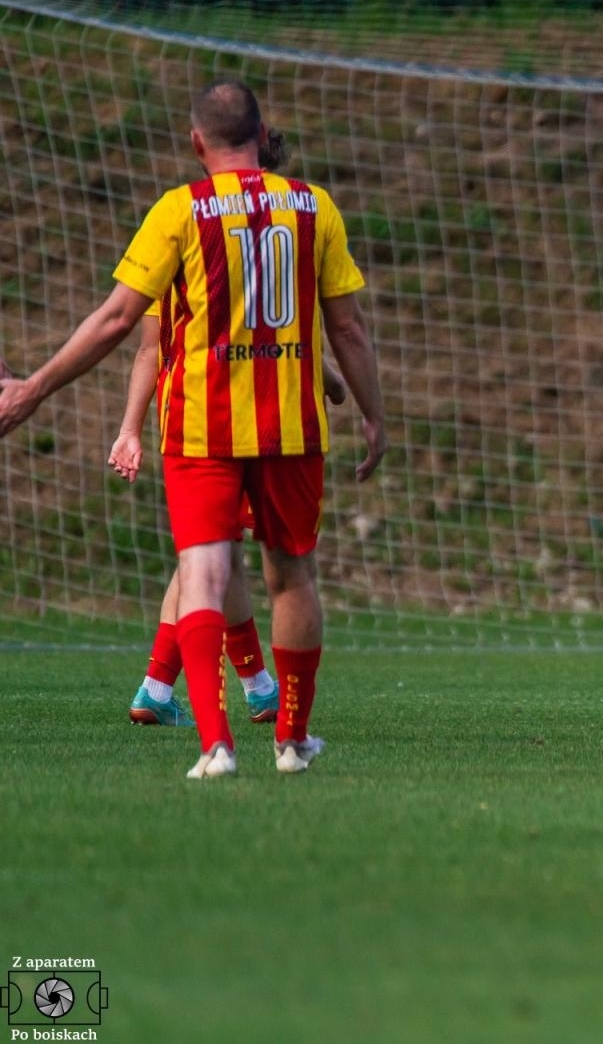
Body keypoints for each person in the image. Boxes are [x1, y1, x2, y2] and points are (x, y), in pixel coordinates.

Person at [0, 79, 387, 776]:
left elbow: (119, 322)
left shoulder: (180, 211)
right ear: (262, 134)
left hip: (202, 426)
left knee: (203, 573)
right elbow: (348, 327)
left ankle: (216, 745)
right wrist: (372, 411)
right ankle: (292, 739)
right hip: (292, 427)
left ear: (196, 142)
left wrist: (33, 388)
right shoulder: (313, 206)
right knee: (292, 575)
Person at [114, 291, 348, 727]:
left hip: (187, 418)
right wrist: (333, 380)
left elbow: (150, 348)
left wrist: (130, 428)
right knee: (217, 555)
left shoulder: (166, 263)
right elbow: (270, 332)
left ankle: (252, 688)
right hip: (239, 418)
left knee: (218, 551)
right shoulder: (229, 257)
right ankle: (166, 689)